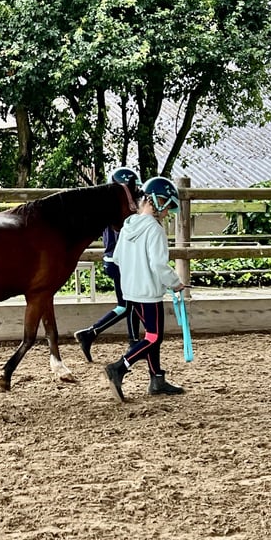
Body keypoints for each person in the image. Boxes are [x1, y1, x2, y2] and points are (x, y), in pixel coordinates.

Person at [103, 176, 186, 402]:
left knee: (150, 334)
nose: (168, 211)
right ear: (156, 201)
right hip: (148, 293)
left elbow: (118, 258)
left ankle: (157, 379)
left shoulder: (128, 226)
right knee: (154, 336)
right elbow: (159, 265)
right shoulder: (155, 230)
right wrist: (175, 283)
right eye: (167, 205)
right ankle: (120, 367)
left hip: (131, 291)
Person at [73, 167, 142, 362]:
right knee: (127, 305)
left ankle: (129, 340)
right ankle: (93, 334)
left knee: (128, 304)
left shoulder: (108, 205)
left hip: (112, 259)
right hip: (119, 260)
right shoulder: (122, 208)